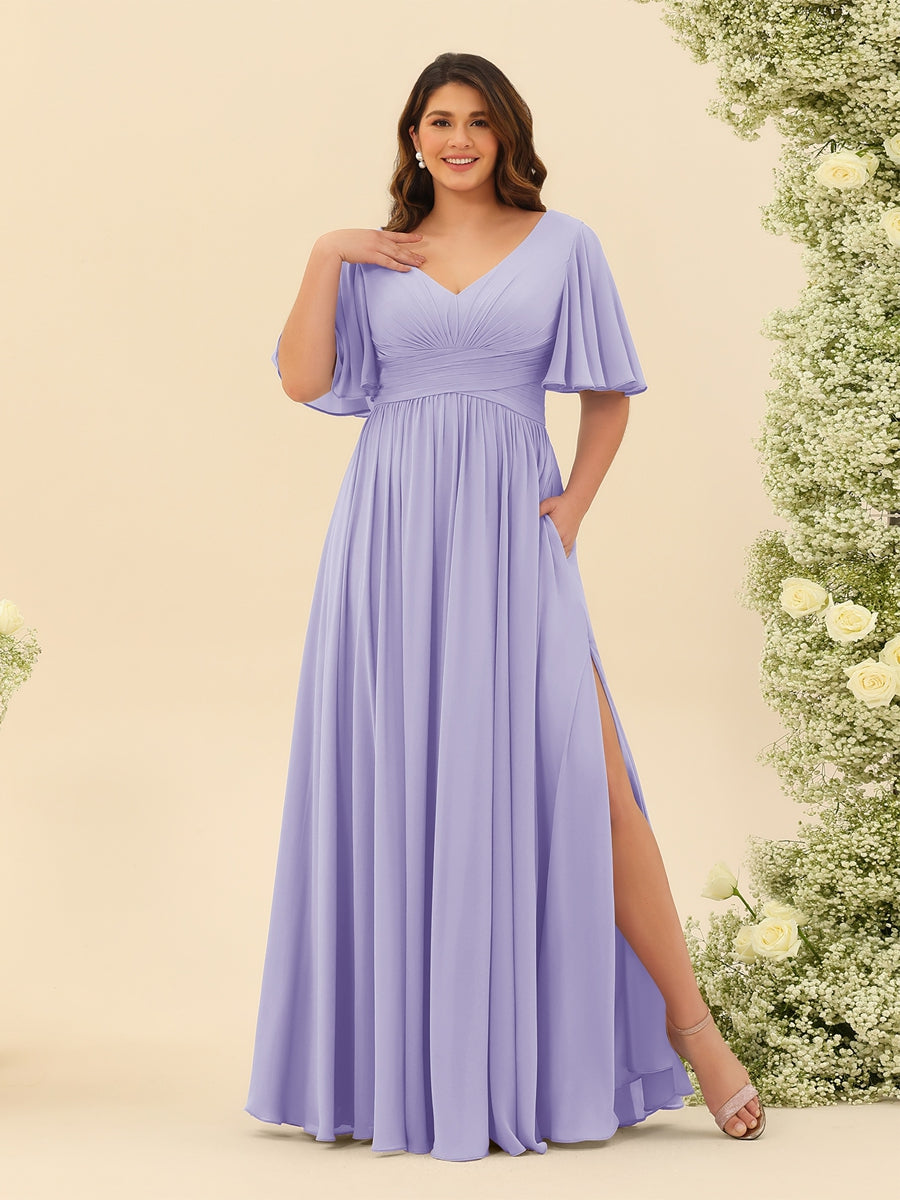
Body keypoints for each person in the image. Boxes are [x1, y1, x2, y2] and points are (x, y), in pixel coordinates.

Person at [244, 50, 765, 1162]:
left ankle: (696, 1034)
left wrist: (572, 509)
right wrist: (327, 251)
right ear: (414, 136)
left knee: (591, 780)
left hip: (513, 541)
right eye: (439, 120)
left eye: (478, 121)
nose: (459, 139)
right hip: (389, 545)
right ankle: (409, 1071)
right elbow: (301, 380)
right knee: (399, 783)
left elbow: (609, 395)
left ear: (507, 134)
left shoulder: (565, 244)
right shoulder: (371, 257)